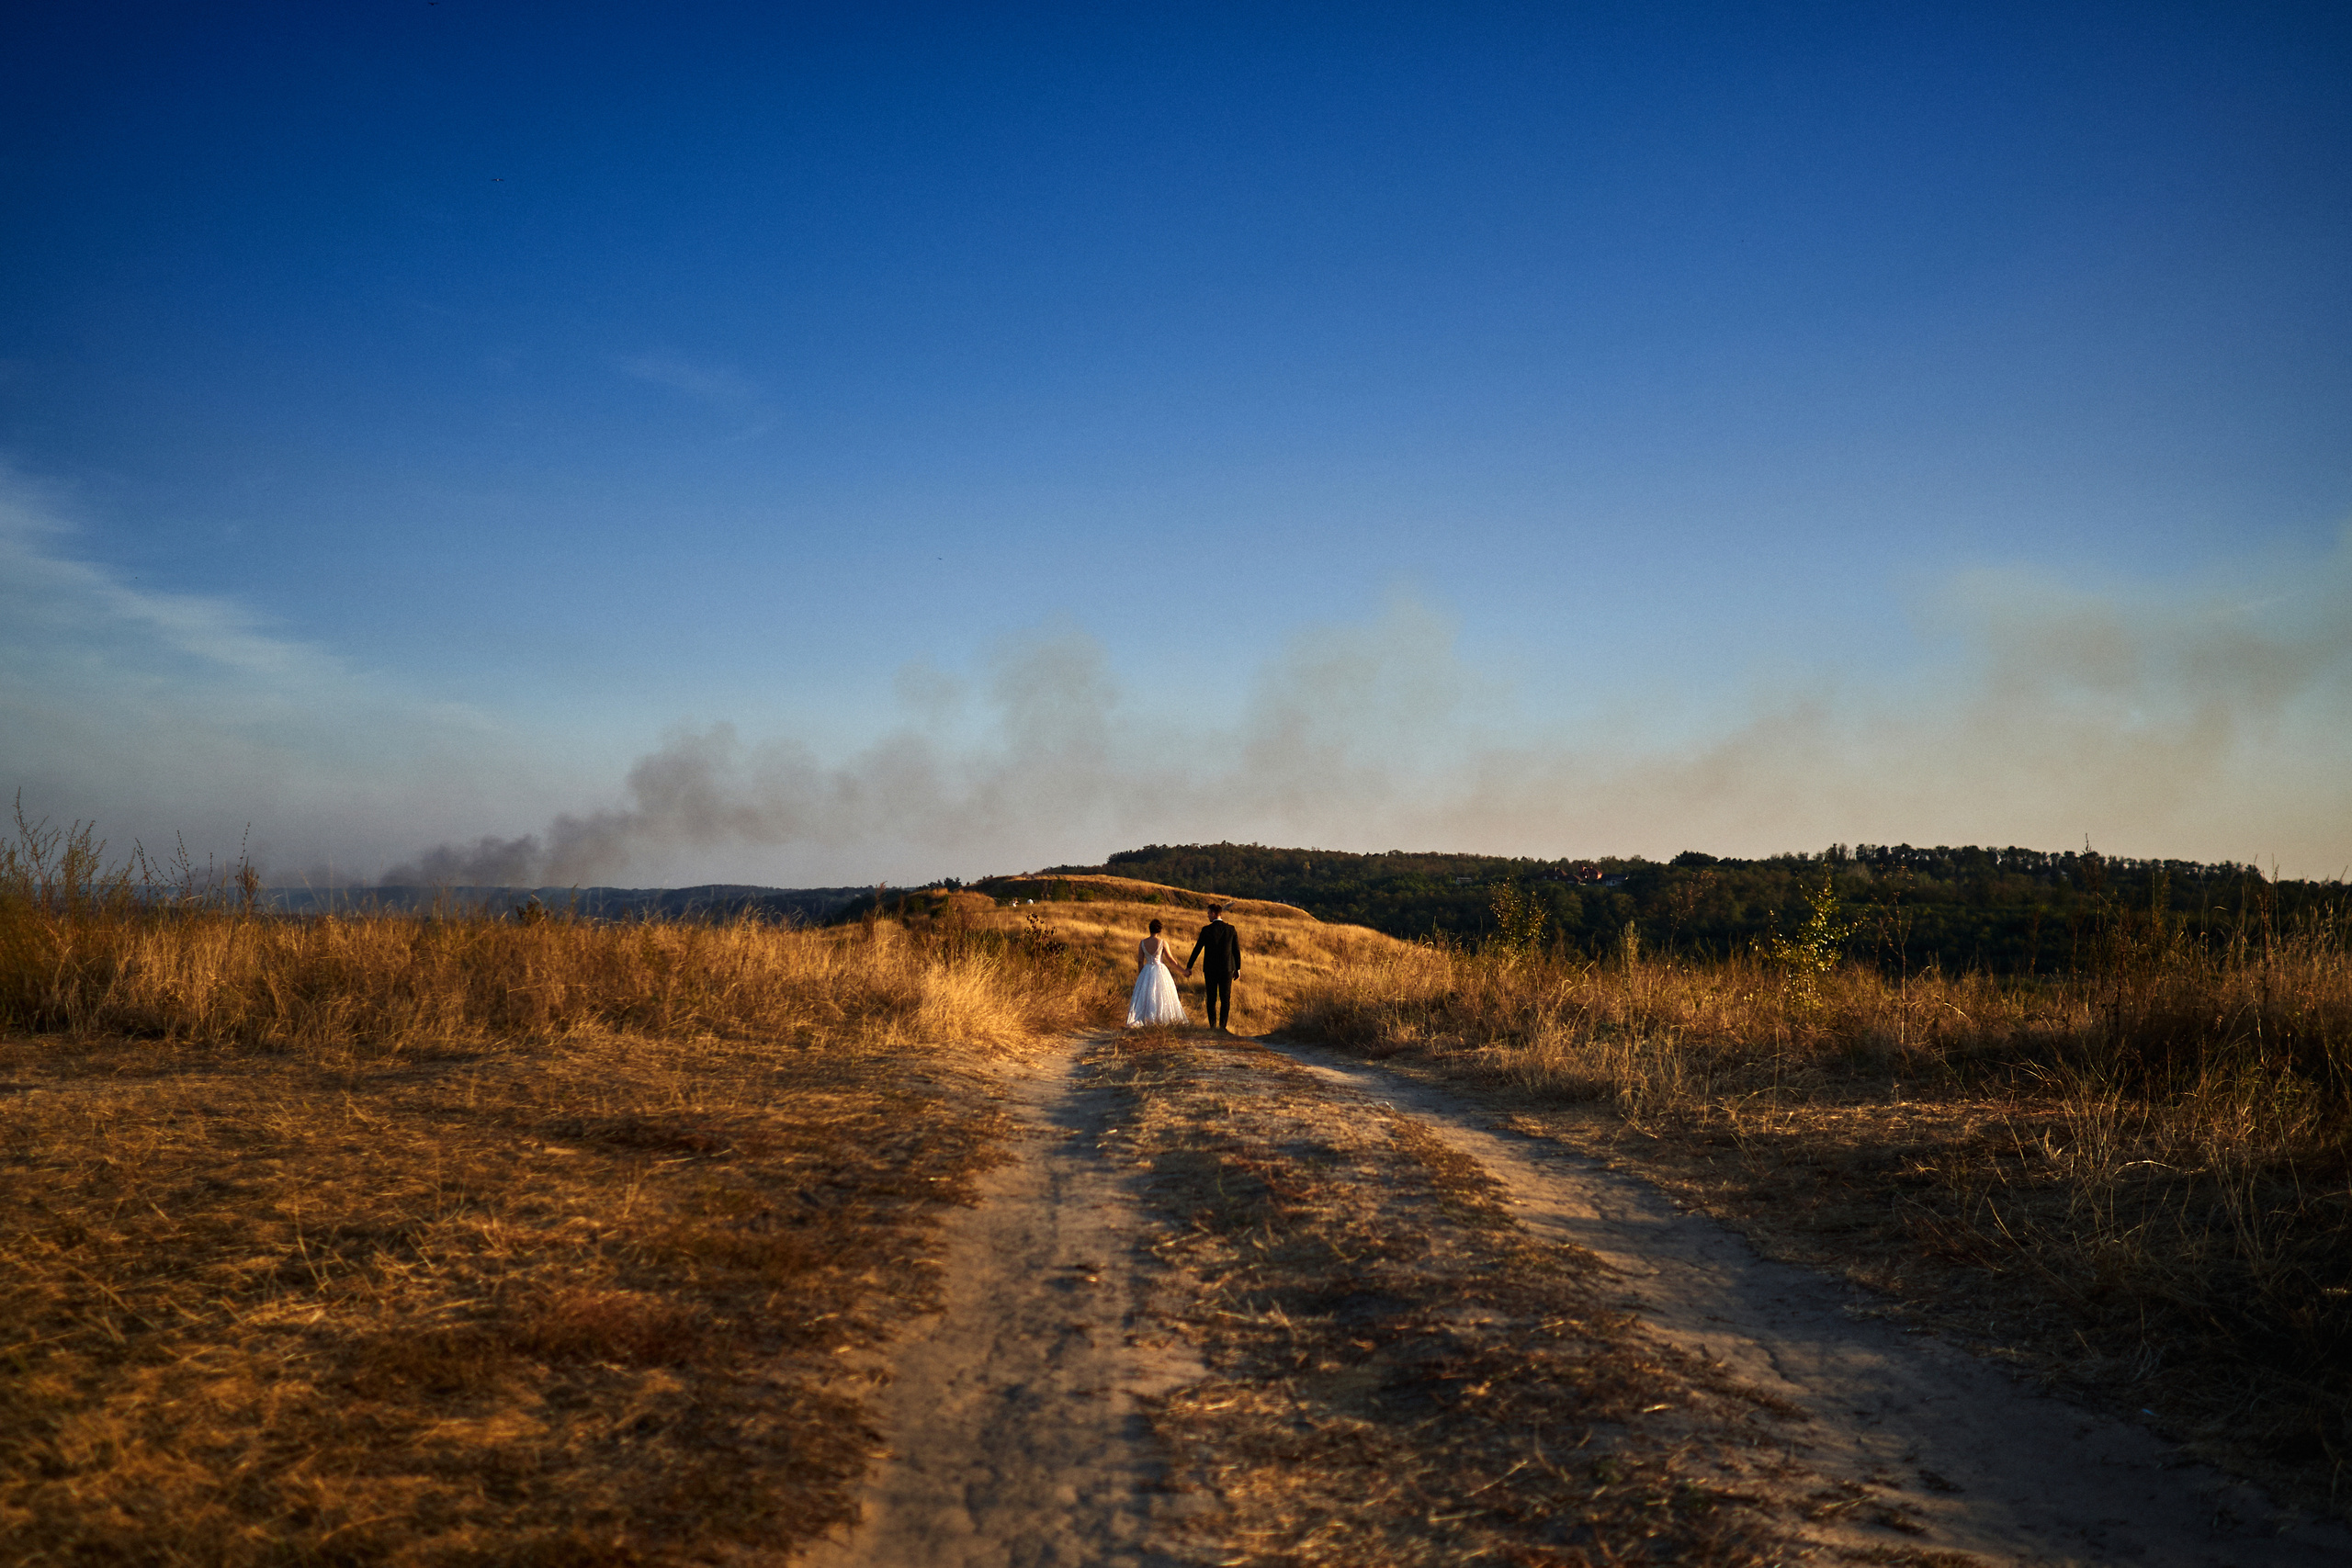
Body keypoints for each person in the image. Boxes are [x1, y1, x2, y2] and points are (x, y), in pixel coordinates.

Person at [1185, 903, 1243, 1032]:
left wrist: (1189, 966)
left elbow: (1197, 949)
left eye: (1208, 913)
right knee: (1225, 998)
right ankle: (1223, 1027)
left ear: (1213, 913)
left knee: (1211, 998)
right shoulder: (1231, 929)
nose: (1207, 916)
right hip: (1227, 968)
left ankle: (1212, 1026)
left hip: (1210, 969)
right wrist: (1237, 968)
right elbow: (1236, 950)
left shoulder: (1206, 930)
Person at [1125, 919, 1189, 1028]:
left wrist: (1141, 976)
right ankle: (1159, 1018)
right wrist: (1183, 971)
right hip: (1160, 970)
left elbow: (1140, 961)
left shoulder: (1142, 943)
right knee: (1161, 995)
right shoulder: (1162, 943)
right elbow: (1171, 960)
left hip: (1147, 970)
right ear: (1159, 930)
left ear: (1150, 929)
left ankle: (1145, 1018)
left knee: (1147, 995)